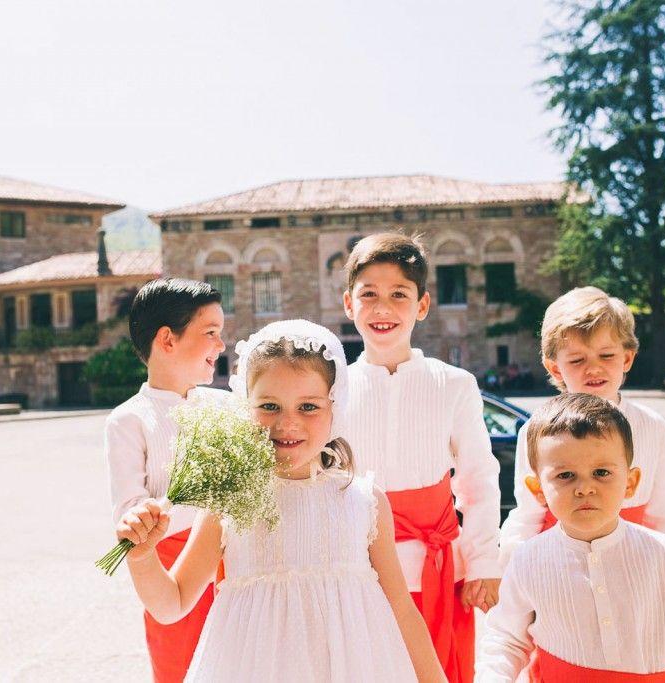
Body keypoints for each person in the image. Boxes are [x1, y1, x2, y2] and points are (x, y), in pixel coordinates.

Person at [118, 320, 446, 682]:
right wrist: (143, 557)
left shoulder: (365, 503)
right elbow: (172, 603)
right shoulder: (230, 502)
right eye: (270, 406)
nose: (287, 424)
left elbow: (401, 609)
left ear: (335, 407)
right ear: (246, 407)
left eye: (308, 407)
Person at [477, 393, 665, 681]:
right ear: (538, 490)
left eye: (601, 472)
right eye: (565, 476)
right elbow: (505, 639)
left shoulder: (663, 554)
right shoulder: (528, 558)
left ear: (631, 482)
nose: (585, 488)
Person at [342, 233, 502, 682]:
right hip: (360, 571)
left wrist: (484, 562)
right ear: (349, 304)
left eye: (399, 295)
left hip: (437, 568)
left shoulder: (454, 383)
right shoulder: (335, 391)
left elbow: (477, 478)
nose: (383, 308)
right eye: (368, 294)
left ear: (423, 304)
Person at [500, 286, 665, 566]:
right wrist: (510, 569)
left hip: (633, 565)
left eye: (606, 356)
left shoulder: (652, 427)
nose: (594, 368)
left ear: (627, 358)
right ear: (555, 368)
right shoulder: (536, 431)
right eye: (577, 360)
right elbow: (528, 513)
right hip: (558, 566)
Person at [105, 277, 228, 683]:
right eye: (210, 333)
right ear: (167, 339)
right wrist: (141, 519)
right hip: (170, 575)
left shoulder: (228, 406)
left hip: (237, 570)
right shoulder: (129, 419)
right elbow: (129, 507)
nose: (221, 345)